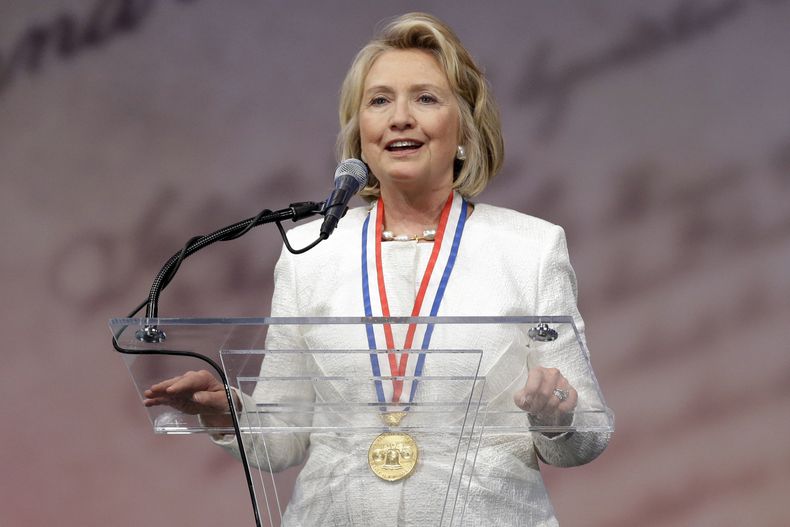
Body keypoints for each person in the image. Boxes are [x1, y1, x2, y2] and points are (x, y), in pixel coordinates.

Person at [144, 12, 610, 526]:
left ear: (464, 132)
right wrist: (225, 411)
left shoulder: (531, 248)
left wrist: (555, 415)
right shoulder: (310, 251)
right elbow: (282, 438)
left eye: (426, 99)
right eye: (380, 100)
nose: (400, 117)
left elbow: (586, 434)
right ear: (360, 135)